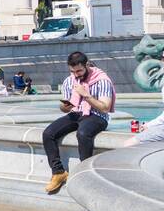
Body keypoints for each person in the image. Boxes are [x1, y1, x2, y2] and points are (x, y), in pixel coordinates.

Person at [41, 51, 116, 194]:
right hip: (76, 113)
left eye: (79, 71)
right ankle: (58, 172)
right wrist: (65, 106)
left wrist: (86, 95)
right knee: (48, 133)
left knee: (83, 133)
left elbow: (105, 107)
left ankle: (86, 174)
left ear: (87, 65)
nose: (76, 75)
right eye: (72, 71)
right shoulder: (69, 81)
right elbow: (63, 108)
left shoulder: (102, 80)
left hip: (97, 115)